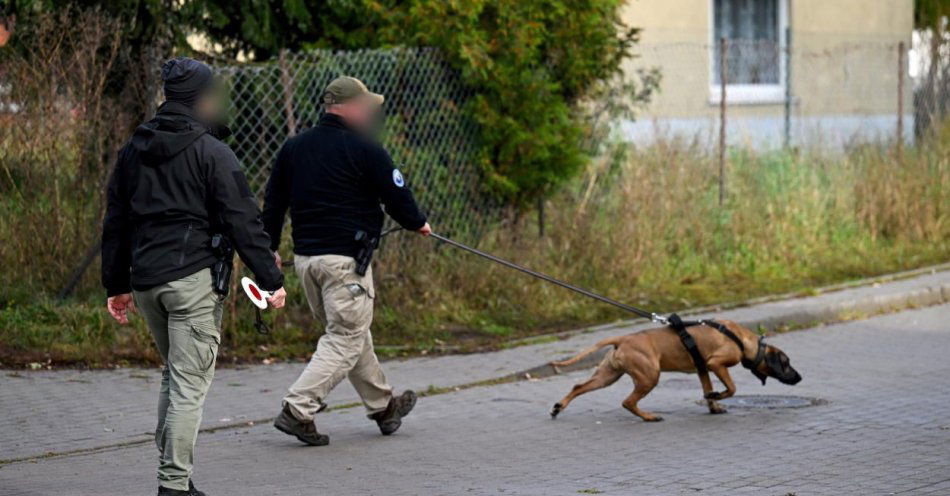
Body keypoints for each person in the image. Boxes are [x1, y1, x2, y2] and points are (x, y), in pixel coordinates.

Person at [101, 57, 286, 496]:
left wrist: (117, 285)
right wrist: (271, 281)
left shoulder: (134, 149)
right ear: (201, 98)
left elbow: (117, 220)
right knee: (188, 385)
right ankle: (173, 486)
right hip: (191, 283)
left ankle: (177, 479)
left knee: (175, 375)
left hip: (146, 282)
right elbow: (243, 219)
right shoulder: (212, 152)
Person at [262, 76, 431, 446]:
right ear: (351, 107)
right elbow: (397, 195)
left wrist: (269, 249)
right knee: (345, 337)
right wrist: (418, 223)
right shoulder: (366, 149)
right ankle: (297, 408)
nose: (371, 111)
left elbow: (274, 203)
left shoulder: (294, 148)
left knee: (353, 335)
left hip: (307, 263)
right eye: (367, 105)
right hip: (345, 264)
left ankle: (384, 407)